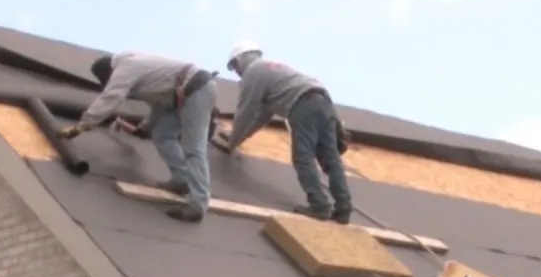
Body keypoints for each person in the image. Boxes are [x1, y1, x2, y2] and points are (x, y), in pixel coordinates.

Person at [58, 52, 218, 223]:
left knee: (193, 148)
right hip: (177, 95)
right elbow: (158, 100)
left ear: (110, 71)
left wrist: (83, 124)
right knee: (162, 134)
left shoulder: (126, 67)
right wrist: (144, 127)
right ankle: (182, 179)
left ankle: (198, 205)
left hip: (196, 90)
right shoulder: (141, 69)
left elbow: (112, 96)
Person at [220, 40, 353, 224]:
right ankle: (343, 209)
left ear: (242, 59)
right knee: (331, 159)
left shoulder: (253, 72)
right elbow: (261, 117)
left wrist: (231, 142)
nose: (236, 71)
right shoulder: (273, 71)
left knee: (302, 157)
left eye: (234, 66)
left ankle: (319, 205)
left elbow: (246, 111)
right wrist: (238, 139)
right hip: (323, 102)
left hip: (303, 106)